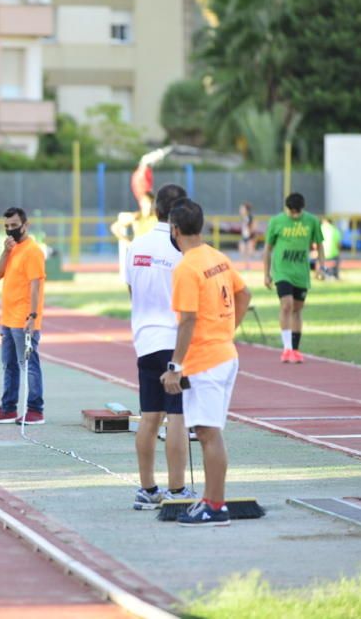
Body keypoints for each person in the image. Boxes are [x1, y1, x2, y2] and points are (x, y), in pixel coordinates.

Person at [161, 199, 251, 527]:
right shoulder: (217, 256)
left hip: (206, 362)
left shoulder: (186, 268)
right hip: (224, 355)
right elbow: (245, 295)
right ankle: (212, 500)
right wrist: (228, 330)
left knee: (209, 434)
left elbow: (187, 321)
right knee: (209, 432)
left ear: (174, 229)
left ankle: (215, 506)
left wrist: (175, 366)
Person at [124, 184, 197, 510]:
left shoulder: (135, 245)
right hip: (174, 342)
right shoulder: (181, 248)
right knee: (177, 417)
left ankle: (147, 489)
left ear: (155, 209)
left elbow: (131, 290)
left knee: (149, 417)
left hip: (145, 340)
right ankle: (178, 489)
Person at [0, 207, 46, 425]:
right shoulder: (13, 249)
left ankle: (35, 409)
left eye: (14, 226)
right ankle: (8, 408)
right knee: (9, 365)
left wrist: (33, 316)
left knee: (29, 364)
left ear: (25, 226)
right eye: (7, 226)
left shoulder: (32, 251)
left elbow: (36, 285)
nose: (10, 230)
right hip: (7, 318)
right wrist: (5, 252)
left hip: (24, 318)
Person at [263, 193, 324, 364]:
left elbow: (319, 245)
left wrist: (322, 267)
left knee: (297, 309)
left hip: (301, 273)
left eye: (298, 212)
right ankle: (286, 348)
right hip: (282, 271)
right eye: (292, 212)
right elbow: (267, 249)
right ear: (287, 209)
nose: (295, 215)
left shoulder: (312, 221)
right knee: (287, 305)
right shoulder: (276, 222)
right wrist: (266, 274)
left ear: (302, 209)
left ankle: (295, 350)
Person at [110, 193, 156, 279]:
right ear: (141, 203)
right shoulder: (136, 217)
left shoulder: (157, 218)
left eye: (151, 202)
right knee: (138, 282)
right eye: (147, 202)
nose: (149, 205)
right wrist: (128, 243)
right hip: (139, 256)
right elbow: (115, 228)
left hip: (152, 256)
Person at [238, 202, 257, 270]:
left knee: (250, 253)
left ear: (246, 210)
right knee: (243, 251)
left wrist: (252, 237)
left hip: (250, 237)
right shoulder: (243, 218)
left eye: (242, 209)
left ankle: (260, 255)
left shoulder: (250, 217)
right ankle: (246, 266)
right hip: (244, 237)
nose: (240, 210)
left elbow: (253, 227)